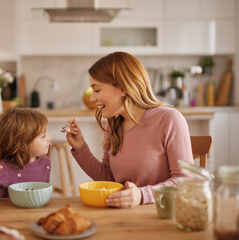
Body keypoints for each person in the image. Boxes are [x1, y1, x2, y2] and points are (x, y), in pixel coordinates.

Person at [64, 52, 193, 208]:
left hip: (159, 214)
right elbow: (109, 179)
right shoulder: (112, 125)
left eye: (97, 90)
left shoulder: (169, 119)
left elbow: (185, 180)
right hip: (123, 215)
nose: (92, 98)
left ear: (123, 88)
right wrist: (80, 147)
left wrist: (142, 195)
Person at [0, 107, 52, 202]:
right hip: (10, 216)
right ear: (22, 145)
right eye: (43, 136)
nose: (49, 138)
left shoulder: (45, 163)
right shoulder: (3, 169)